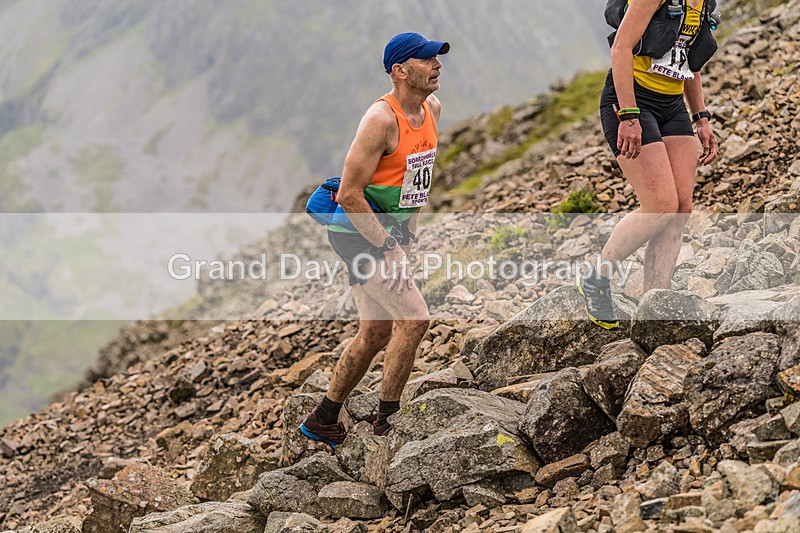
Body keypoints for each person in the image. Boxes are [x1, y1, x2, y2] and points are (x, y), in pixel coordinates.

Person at [299, 32, 449, 448]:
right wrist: (388, 247)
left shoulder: (432, 108)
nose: (437, 64)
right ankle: (388, 422)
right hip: (355, 233)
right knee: (415, 320)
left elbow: (418, 179)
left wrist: (408, 239)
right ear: (400, 71)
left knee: (376, 334)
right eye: (427, 59)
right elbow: (348, 194)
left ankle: (324, 418)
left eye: (437, 57)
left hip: (388, 234)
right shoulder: (380, 121)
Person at [577, 0, 720, 329]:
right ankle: (597, 278)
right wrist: (628, 115)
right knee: (660, 205)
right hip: (631, 99)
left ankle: (654, 305)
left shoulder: (704, 2)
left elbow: (689, 59)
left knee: (680, 208)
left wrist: (701, 118)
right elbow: (621, 48)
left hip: (672, 104)